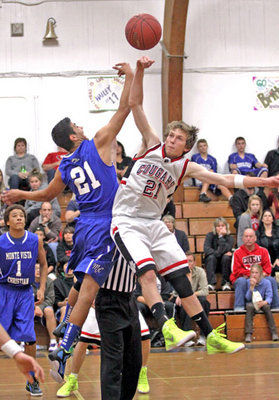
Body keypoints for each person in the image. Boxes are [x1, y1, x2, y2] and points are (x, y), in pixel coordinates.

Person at [110, 55, 279, 355]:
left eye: (179, 138)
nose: (173, 140)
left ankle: (210, 336)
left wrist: (264, 183)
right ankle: (167, 326)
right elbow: (135, 105)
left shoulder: (186, 167)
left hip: (153, 222)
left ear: (187, 146)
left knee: (182, 278)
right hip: (125, 220)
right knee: (147, 274)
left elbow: (226, 179)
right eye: (171, 135)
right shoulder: (150, 144)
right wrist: (138, 71)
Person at [2, 61, 135, 381]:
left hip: (84, 227)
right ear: (74, 134)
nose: (81, 125)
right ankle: (63, 346)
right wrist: (130, 76)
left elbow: (47, 193)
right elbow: (126, 108)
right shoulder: (101, 141)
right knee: (90, 291)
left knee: (80, 282)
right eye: (77, 123)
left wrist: (20, 193)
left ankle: (63, 324)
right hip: (105, 224)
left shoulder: (64, 166)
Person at [0, 204, 48, 396]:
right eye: (15, 216)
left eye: (21, 215)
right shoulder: (1, 242)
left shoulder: (34, 240)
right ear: (7, 221)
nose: (19, 218)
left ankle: (32, 380)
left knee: (29, 337)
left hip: (25, 292)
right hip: (4, 290)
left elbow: (44, 265)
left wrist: (42, 287)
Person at [56, 306, 151, 397]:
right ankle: (72, 379)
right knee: (83, 341)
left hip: (126, 302)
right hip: (100, 304)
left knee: (145, 335)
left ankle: (142, 373)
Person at [230, 228, 279, 311]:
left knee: (271, 280)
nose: (248, 238)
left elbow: (268, 269)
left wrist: (258, 277)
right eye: (246, 236)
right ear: (243, 238)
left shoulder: (263, 251)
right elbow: (236, 270)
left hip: (261, 279)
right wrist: (252, 275)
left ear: (255, 238)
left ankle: (275, 308)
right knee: (241, 281)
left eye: (251, 236)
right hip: (244, 279)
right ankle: (239, 309)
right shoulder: (237, 252)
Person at [175, 252, 210, 346]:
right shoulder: (177, 274)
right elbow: (173, 294)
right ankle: (187, 337)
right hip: (180, 301)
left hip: (195, 299)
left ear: (194, 263)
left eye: (190, 261)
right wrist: (184, 296)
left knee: (204, 301)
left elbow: (205, 291)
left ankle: (203, 336)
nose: (187, 264)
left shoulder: (200, 271)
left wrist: (191, 295)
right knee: (186, 303)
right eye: (185, 261)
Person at [191, 138, 232, 203]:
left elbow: (214, 172)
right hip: (200, 179)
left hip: (210, 180)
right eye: (200, 146)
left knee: (221, 185)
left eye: (204, 145)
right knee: (208, 174)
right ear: (198, 148)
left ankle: (231, 198)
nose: (203, 148)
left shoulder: (212, 159)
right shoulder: (195, 157)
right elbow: (194, 171)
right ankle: (203, 193)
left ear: (207, 146)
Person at [245, 264, 279, 342]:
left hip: (263, 302)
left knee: (267, 307)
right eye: (252, 272)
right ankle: (248, 334)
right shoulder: (248, 282)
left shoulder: (266, 282)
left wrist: (265, 302)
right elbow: (247, 298)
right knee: (249, 307)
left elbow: (269, 296)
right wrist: (251, 287)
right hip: (252, 303)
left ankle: (274, 332)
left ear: (260, 274)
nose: (254, 275)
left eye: (256, 273)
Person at [32, 263, 58, 352]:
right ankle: (24, 341)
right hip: (31, 307)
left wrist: (40, 307)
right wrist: (34, 307)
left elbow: (50, 299)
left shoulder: (49, 281)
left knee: (49, 310)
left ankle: (53, 342)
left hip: (44, 307)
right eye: (35, 268)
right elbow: (25, 298)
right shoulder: (28, 281)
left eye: (40, 269)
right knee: (25, 310)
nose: (38, 270)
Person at [203, 217, 234, 291]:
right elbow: (206, 249)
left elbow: (226, 249)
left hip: (224, 263)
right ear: (215, 227)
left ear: (226, 227)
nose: (220, 228)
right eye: (218, 226)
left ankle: (225, 283)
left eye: (222, 226)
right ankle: (211, 283)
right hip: (212, 262)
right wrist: (217, 253)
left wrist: (221, 238)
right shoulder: (209, 236)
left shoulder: (230, 238)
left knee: (226, 258)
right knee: (211, 257)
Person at [256, 208, 279, 276]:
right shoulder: (257, 233)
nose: (267, 218)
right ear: (262, 219)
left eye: (269, 216)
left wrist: (278, 259)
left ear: (272, 219)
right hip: (263, 261)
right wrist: (267, 262)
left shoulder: (278, 230)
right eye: (265, 216)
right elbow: (257, 249)